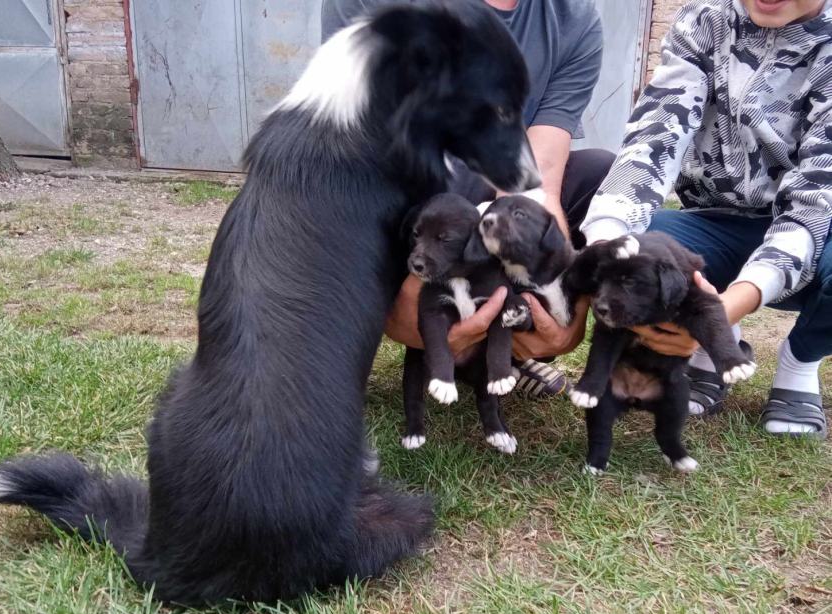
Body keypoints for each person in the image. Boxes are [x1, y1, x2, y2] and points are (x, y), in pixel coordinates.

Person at [322, 0, 614, 398]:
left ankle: (502, 342)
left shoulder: (572, 18)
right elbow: (363, 155)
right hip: (400, 191)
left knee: (599, 174)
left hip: (483, 192)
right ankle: (339, 348)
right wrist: (410, 288)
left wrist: (557, 290)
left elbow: (535, 173)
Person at [581, 0, 832, 438]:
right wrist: (607, 242)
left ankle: (800, 358)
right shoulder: (703, 21)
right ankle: (723, 343)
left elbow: (812, 200)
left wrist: (719, 311)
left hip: (817, 234)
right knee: (645, 246)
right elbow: (656, 136)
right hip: (711, 221)